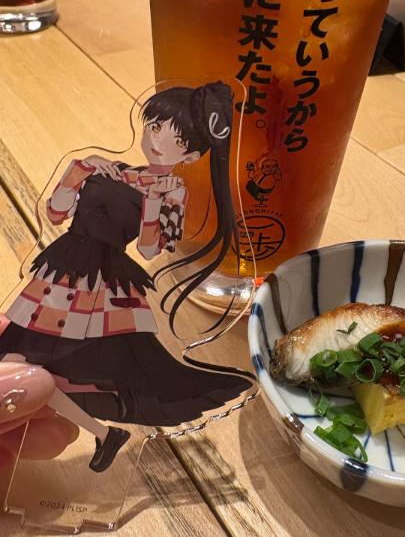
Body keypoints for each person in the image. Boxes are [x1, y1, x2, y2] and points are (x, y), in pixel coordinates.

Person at [0, 81, 255, 472]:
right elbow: (54, 213)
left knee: (51, 367)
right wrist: (81, 168)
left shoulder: (173, 192)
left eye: (176, 139)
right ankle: (104, 434)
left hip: (102, 282)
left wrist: (152, 201)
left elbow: (150, 249)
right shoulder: (110, 168)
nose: (157, 139)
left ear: (190, 155)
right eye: (155, 126)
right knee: (19, 359)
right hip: (60, 268)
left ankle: (104, 432)